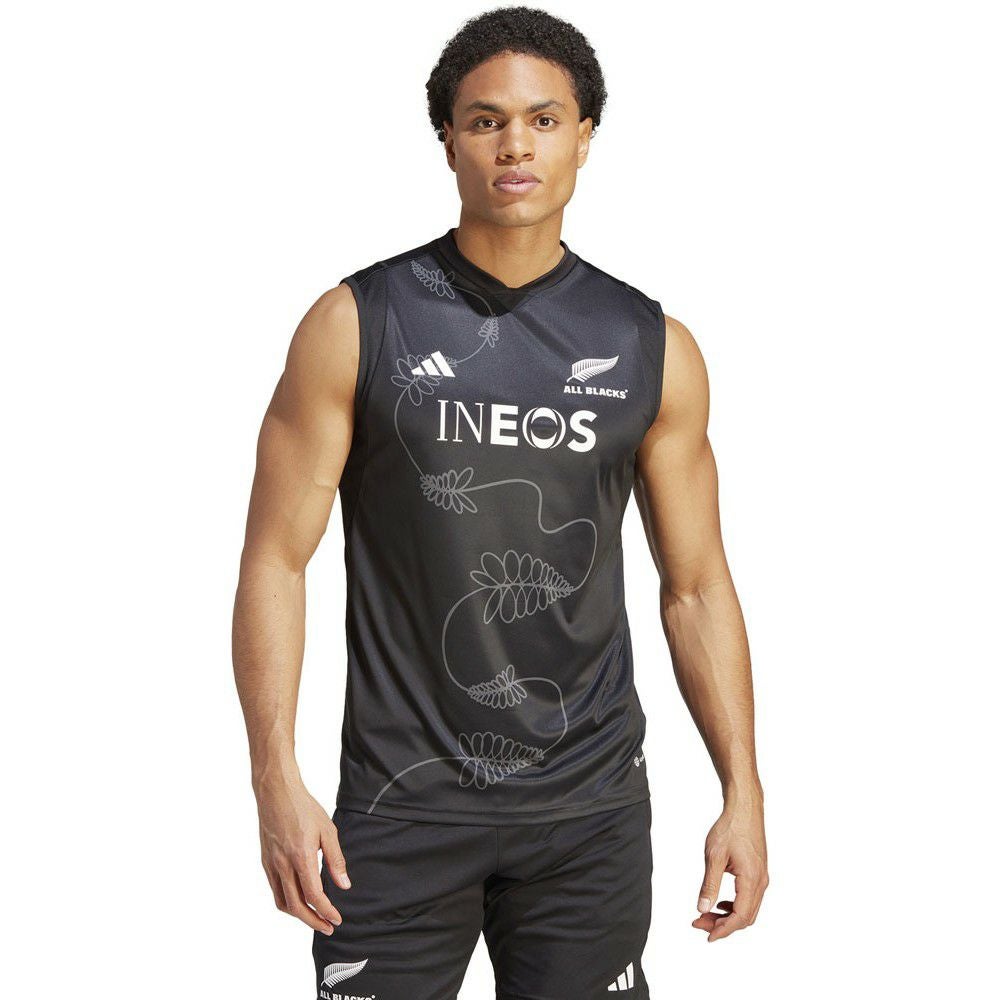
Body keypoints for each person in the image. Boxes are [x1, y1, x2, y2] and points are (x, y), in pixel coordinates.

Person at [232, 7, 767, 998]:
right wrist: (274, 776)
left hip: (589, 814)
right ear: (447, 140)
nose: (515, 144)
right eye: (485, 121)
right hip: (399, 807)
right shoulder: (357, 323)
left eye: (543, 119)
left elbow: (695, 585)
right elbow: (275, 558)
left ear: (584, 137)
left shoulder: (651, 346)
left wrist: (744, 789)